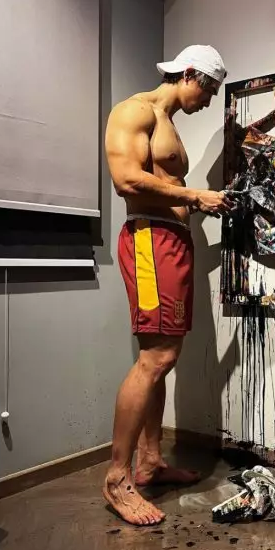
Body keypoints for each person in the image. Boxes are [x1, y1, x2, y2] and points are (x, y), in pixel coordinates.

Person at [103, 45, 232, 525]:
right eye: (210, 90)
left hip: (172, 243)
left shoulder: (168, 123)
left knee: (165, 358)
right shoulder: (135, 111)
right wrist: (193, 195)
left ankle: (151, 461)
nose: (209, 100)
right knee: (155, 358)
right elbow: (126, 179)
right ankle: (118, 478)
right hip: (149, 241)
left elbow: (163, 183)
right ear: (191, 75)